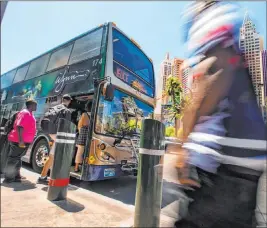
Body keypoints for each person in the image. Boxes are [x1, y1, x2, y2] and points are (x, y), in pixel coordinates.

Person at [174, 1, 267, 228]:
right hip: (247, 162)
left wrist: (182, 145)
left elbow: (213, 73)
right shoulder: (230, 24)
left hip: (219, 165)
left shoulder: (212, 17)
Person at [37, 94, 72, 184]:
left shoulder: (55, 107)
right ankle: (55, 177)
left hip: (51, 133)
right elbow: (66, 125)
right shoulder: (66, 110)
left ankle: (43, 176)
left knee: (52, 156)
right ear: (69, 101)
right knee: (60, 157)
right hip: (59, 135)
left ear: (62, 100)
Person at [3, 99, 37, 183]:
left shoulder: (29, 113)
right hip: (18, 140)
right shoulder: (24, 113)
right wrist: (21, 141)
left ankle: (16, 176)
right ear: (31, 105)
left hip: (24, 141)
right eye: (35, 105)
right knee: (13, 159)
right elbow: (19, 126)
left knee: (17, 158)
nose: (36, 107)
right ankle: (8, 178)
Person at [74, 101, 92, 172]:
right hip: (90, 135)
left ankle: (76, 167)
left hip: (83, 135)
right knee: (88, 152)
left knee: (80, 152)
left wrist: (80, 132)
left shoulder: (84, 114)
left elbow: (79, 125)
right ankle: (85, 167)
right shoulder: (95, 115)